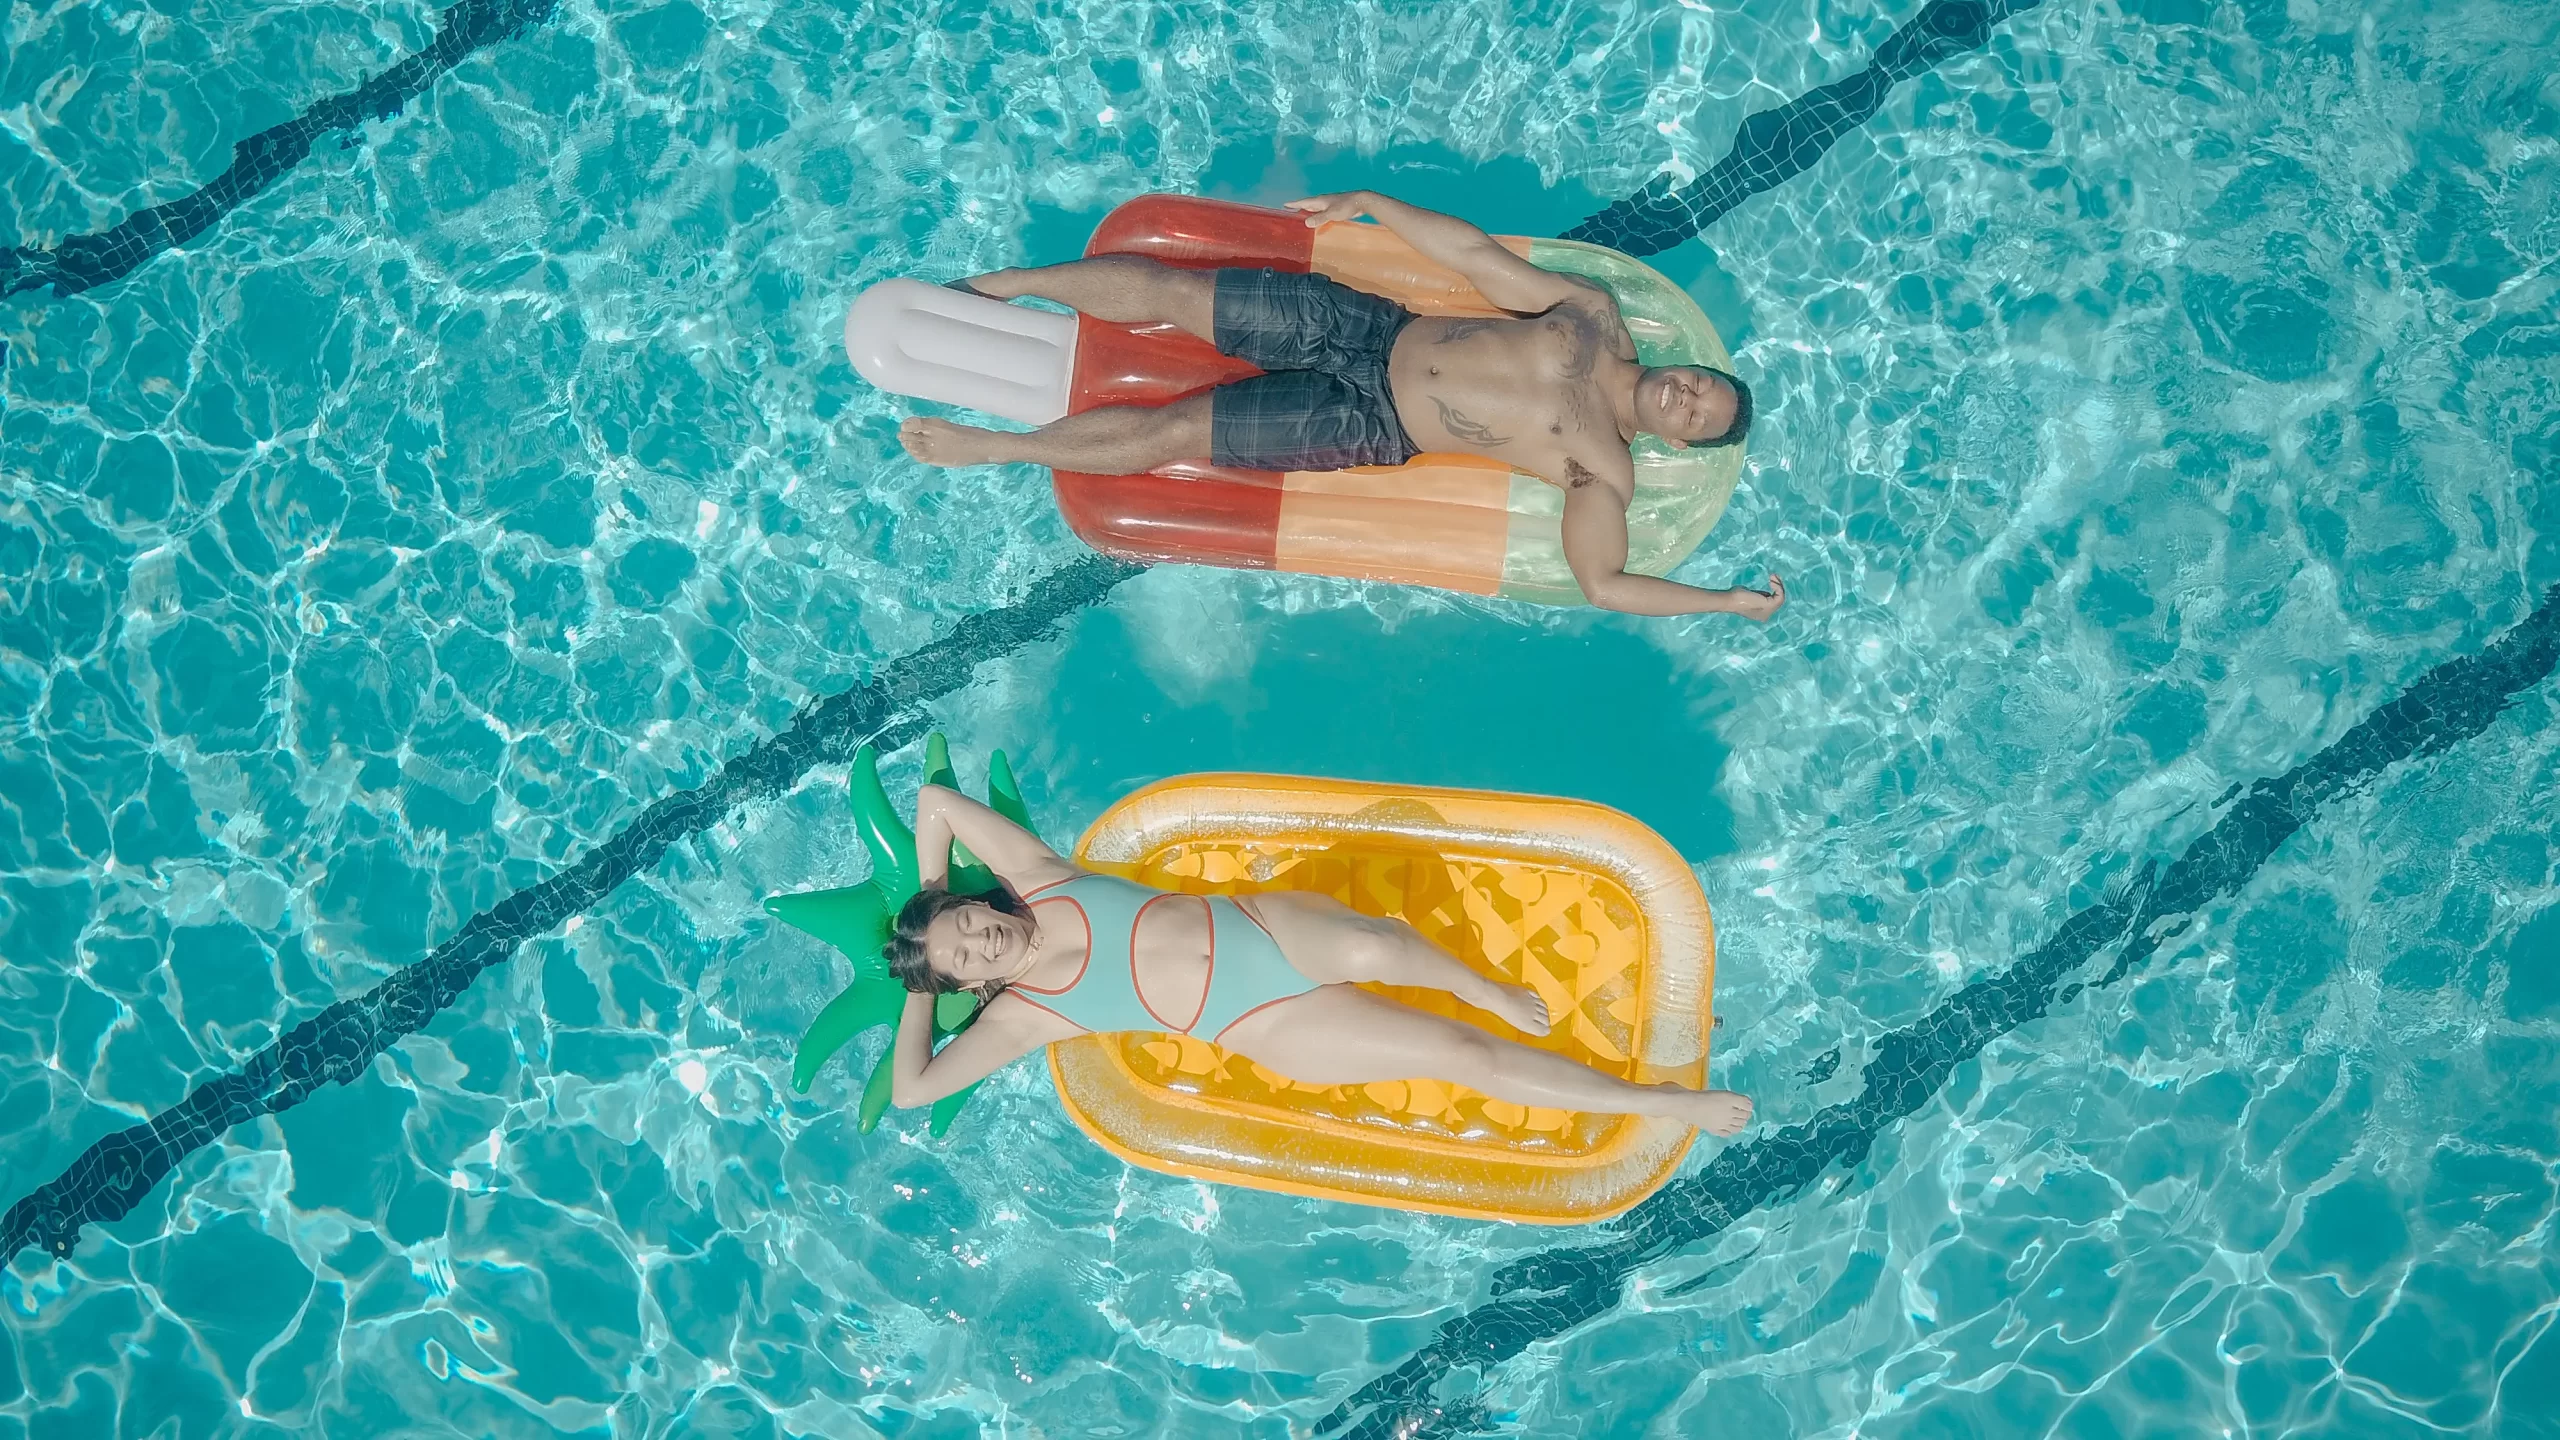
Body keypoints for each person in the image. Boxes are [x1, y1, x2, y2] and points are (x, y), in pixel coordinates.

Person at [898, 191, 1784, 620]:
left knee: (1178, 431)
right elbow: (1478, 259)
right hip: (1367, 325)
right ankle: (1008, 283)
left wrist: (1725, 602)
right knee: (1177, 291)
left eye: (1695, 418)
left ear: (1678, 441)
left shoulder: (1603, 470)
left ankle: (999, 448)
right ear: (1690, 367)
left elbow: (1603, 583)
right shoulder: (1593, 312)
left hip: (1367, 424)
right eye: (1702, 386)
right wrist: (1369, 204)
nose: (1688, 399)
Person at [882, 783, 1756, 1136]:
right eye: (964, 958)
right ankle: (1663, 1104)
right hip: (1263, 1022)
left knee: (1373, 944)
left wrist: (925, 901)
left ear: (974, 903)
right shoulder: (1025, 1017)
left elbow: (932, 803)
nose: (978, 938)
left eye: (964, 921)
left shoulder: (1038, 878)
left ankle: (1478, 984)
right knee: (1462, 1057)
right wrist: (922, 982)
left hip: (1263, 928)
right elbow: (912, 1090)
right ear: (972, 984)